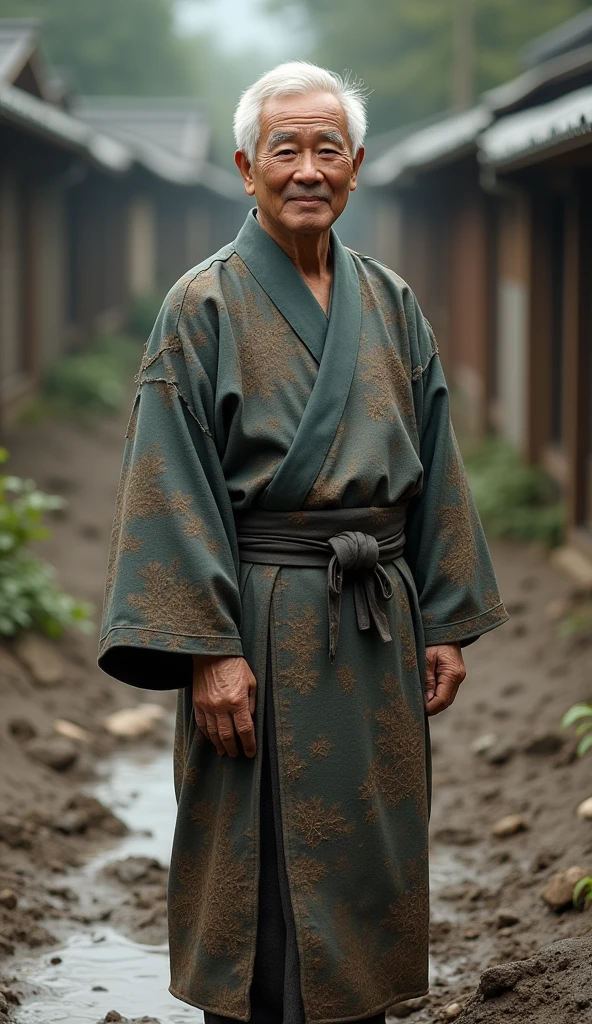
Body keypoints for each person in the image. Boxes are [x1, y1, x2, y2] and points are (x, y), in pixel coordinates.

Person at [98, 61, 508, 1024]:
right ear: (247, 168)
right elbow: (169, 489)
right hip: (262, 621)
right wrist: (210, 652)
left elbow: (437, 459)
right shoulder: (201, 308)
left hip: (375, 621)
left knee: (370, 847)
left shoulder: (392, 301)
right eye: (287, 148)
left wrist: (445, 615)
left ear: (357, 168)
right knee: (263, 876)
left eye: (330, 148)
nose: (309, 168)